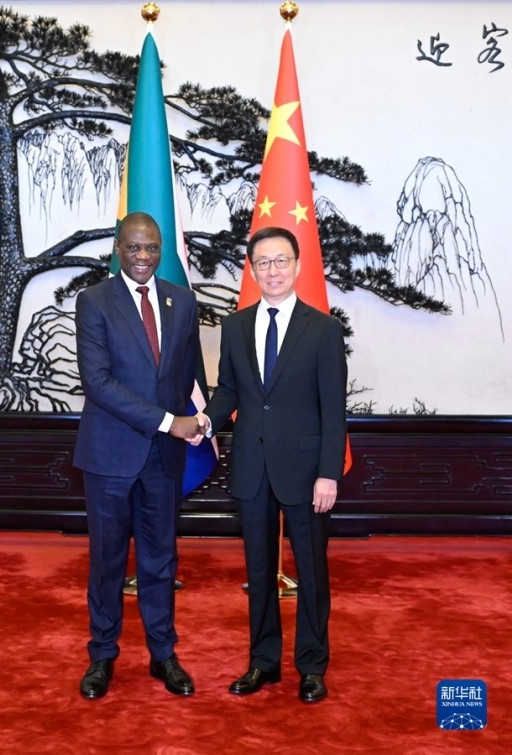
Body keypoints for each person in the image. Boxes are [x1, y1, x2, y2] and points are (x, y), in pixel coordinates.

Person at [195, 226, 347, 703]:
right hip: (252, 466)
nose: (273, 270)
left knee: (311, 572)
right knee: (258, 571)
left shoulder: (323, 329)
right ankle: (263, 662)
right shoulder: (236, 326)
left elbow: (333, 410)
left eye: (281, 260)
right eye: (263, 262)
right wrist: (204, 421)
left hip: (307, 471)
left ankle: (312, 665)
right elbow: (229, 392)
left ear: (297, 266)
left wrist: (328, 473)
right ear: (252, 269)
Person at [73, 211, 204, 700]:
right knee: (107, 561)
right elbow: (98, 383)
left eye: (151, 248)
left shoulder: (182, 301)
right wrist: (170, 422)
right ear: (117, 248)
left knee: (160, 560)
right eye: (134, 247)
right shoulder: (94, 301)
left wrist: (199, 421)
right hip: (110, 456)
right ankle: (102, 655)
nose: (143, 256)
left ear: (161, 249)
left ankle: (163, 654)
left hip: (163, 460)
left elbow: (188, 373)